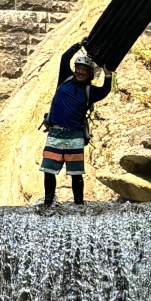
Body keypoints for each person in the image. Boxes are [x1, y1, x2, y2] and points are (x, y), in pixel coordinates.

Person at [40, 43, 111, 207]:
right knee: (49, 170)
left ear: (89, 74)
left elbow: (105, 91)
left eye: (84, 70)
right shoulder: (65, 78)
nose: (79, 71)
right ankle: (48, 202)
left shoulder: (89, 92)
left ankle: (78, 204)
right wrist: (79, 45)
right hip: (56, 133)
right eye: (78, 68)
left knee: (76, 173)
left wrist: (107, 75)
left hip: (75, 136)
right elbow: (65, 58)